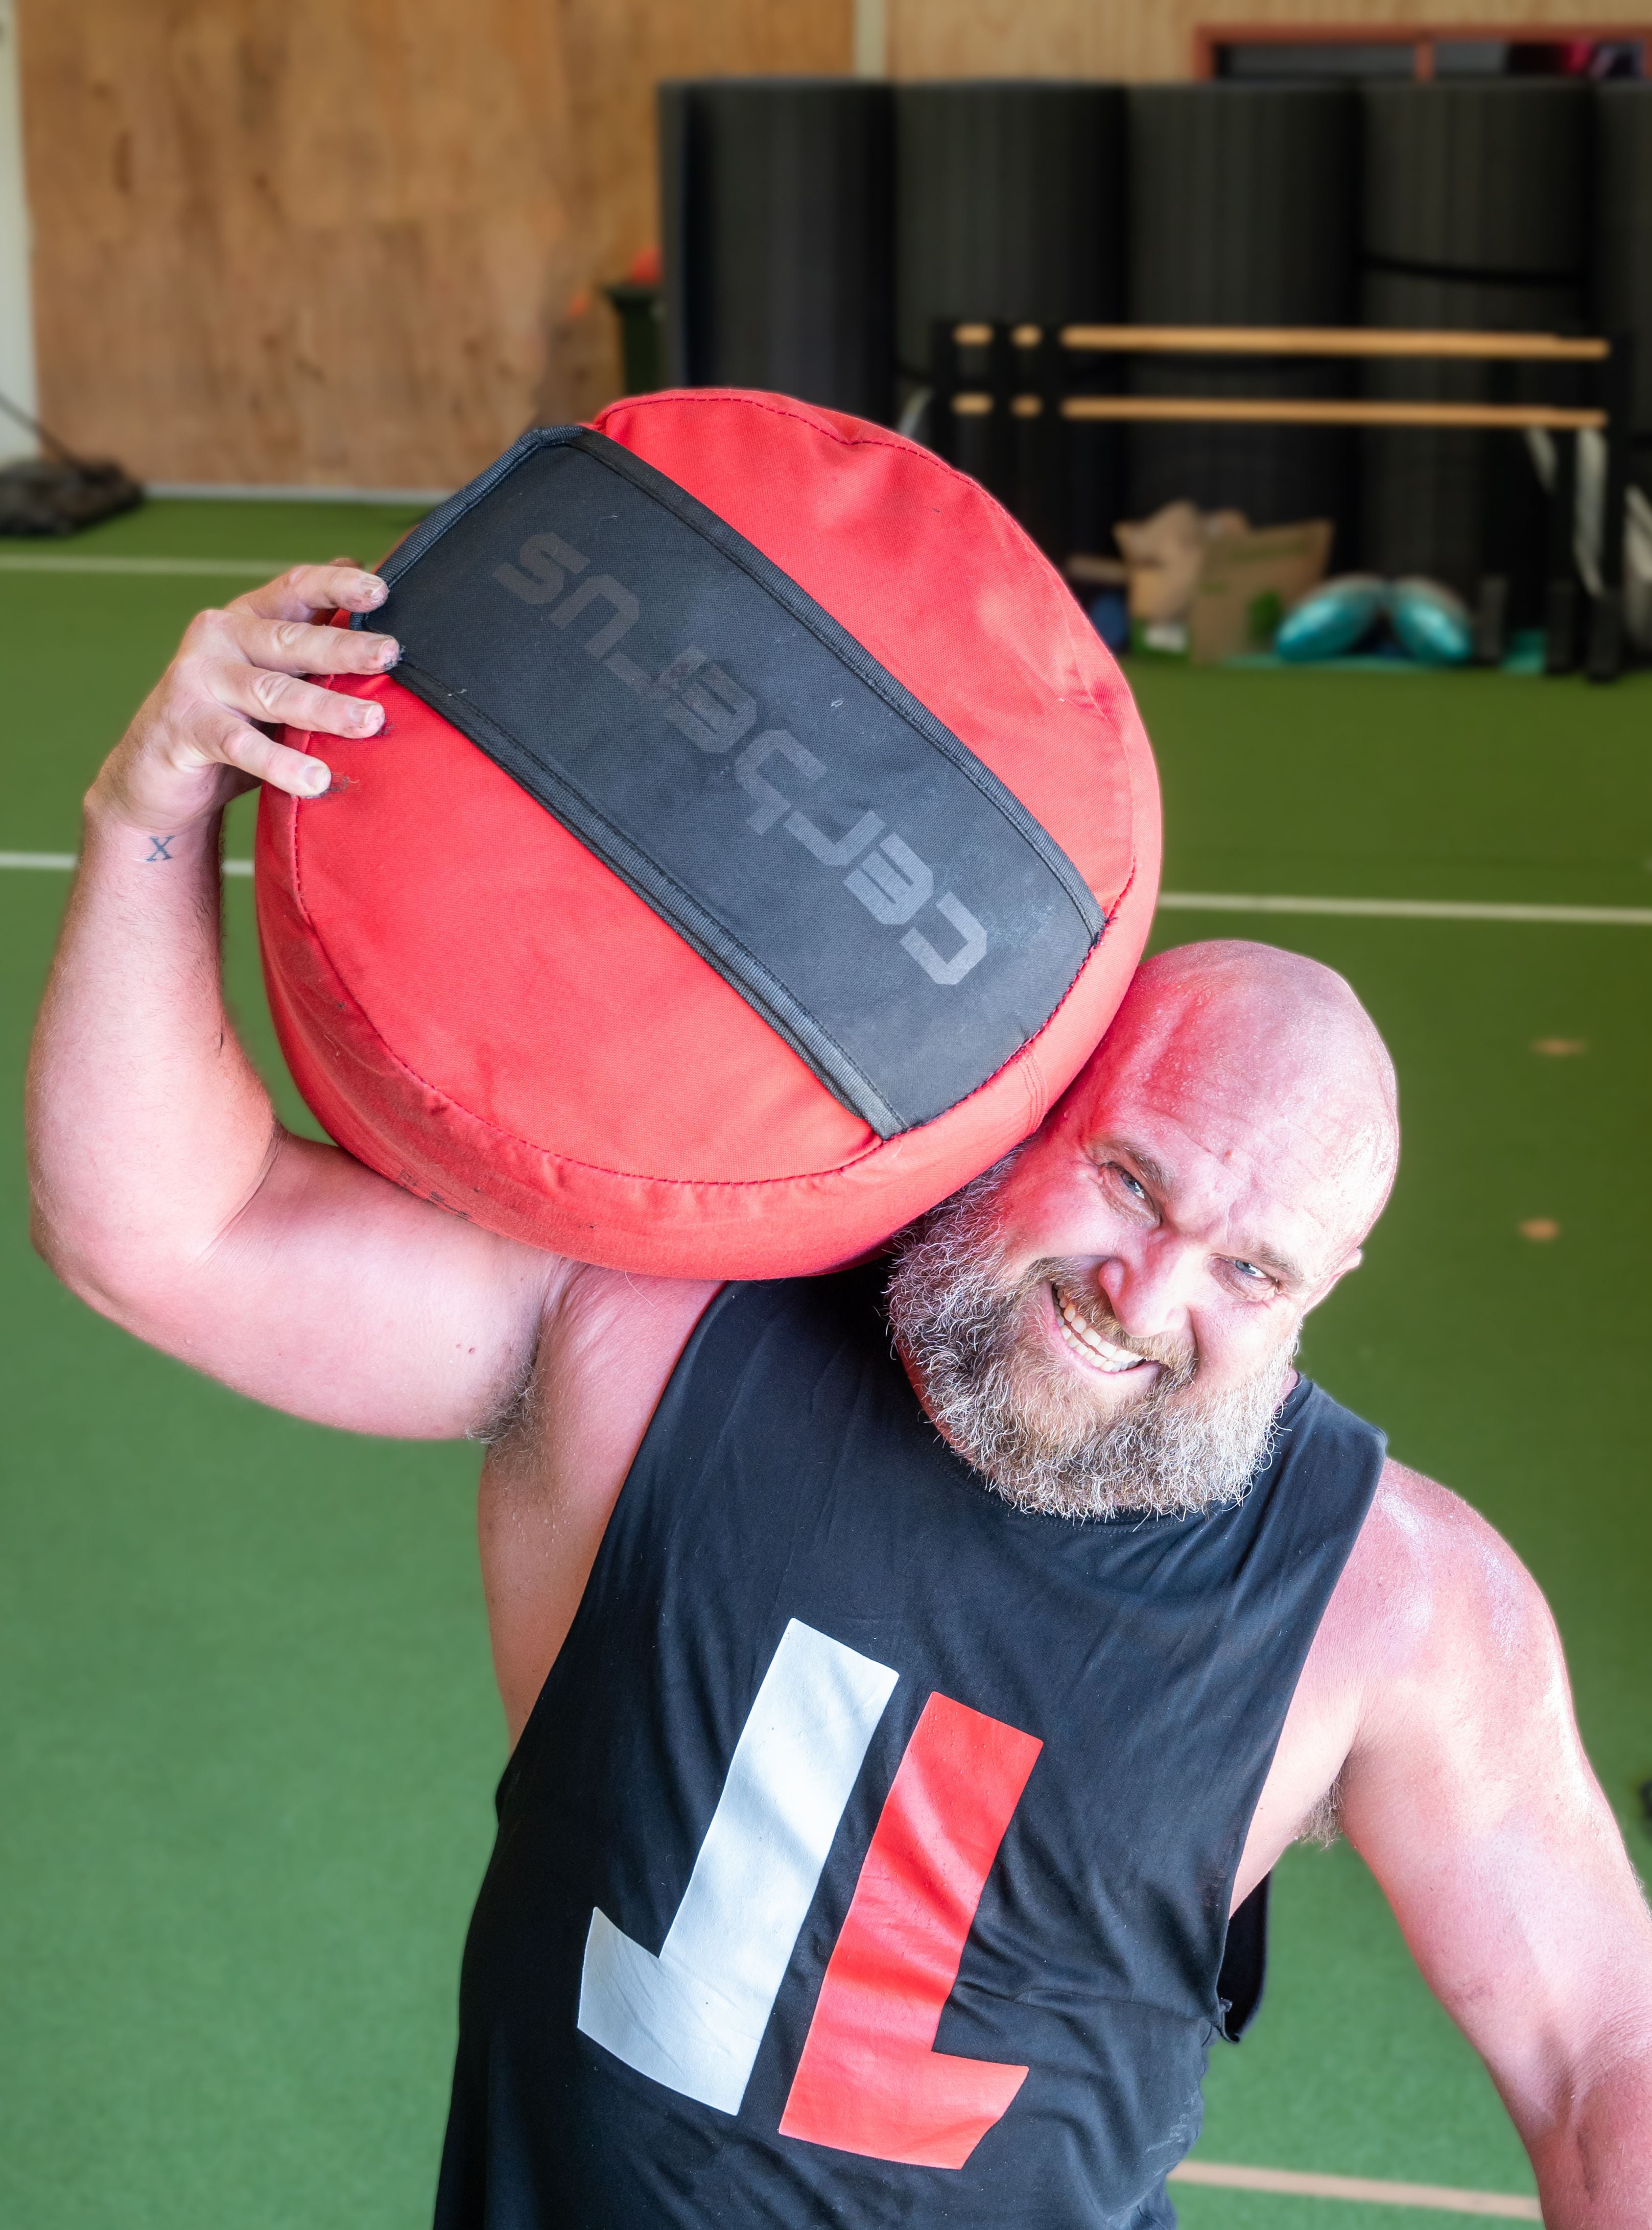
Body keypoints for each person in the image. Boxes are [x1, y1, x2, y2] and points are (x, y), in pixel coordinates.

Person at [27, 564, 1652, 2227]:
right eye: (1128, 1182)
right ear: (1029, 1099)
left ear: (1326, 1285)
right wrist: (150, 814)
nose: (1150, 1296)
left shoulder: (1393, 1611)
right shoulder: (654, 1322)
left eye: (1252, 1271)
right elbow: (169, 1233)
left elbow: (1603, 2057)